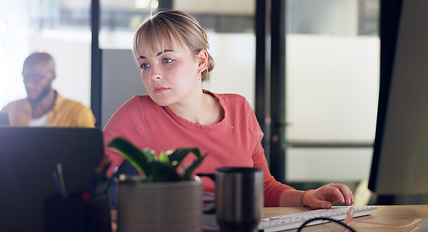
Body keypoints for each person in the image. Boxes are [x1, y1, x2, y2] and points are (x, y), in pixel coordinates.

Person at [103, 10, 354, 209]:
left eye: (167, 60)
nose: (154, 75)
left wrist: (306, 197)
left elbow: (263, 188)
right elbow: (89, 183)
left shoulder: (239, 108)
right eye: (144, 65)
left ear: (200, 61)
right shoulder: (137, 113)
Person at [1, 51, 96, 127]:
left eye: (36, 77)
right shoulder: (10, 109)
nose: (29, 84)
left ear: (52, 76)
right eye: (25, 77)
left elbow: (89, 150)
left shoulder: (77, 112)